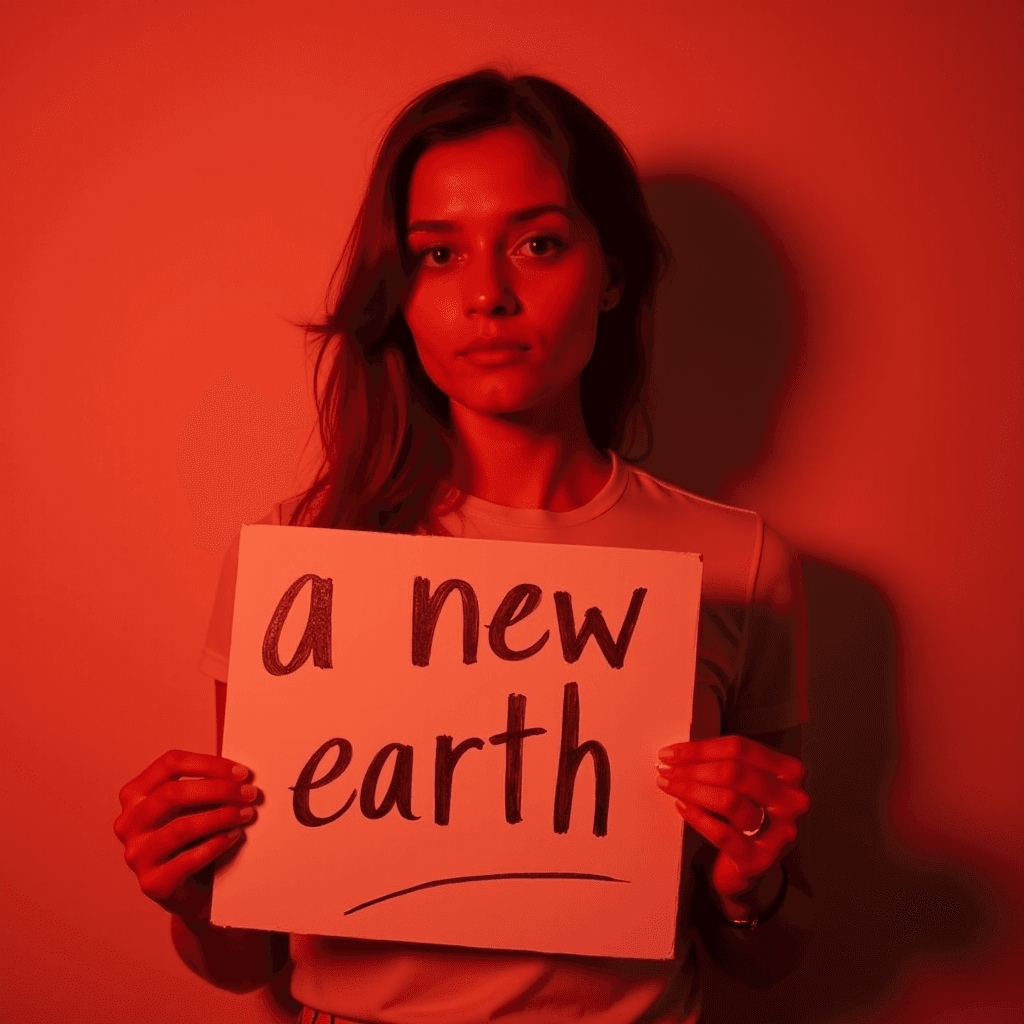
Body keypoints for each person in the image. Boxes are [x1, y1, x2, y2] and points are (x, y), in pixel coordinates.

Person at [114, 70, 812, 1023]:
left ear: (611, 273)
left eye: (538, 243)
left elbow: (769, 961)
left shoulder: (742, 563)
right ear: (397, 292)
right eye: (439, 254)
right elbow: (245, 963)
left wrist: (749, 886)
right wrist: (190, 892)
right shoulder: (301, 564)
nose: (489, 293)